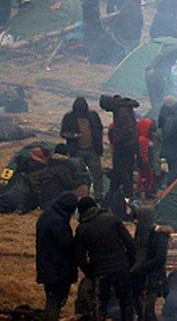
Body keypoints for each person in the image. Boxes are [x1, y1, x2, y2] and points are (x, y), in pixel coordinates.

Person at [74, 196, 135, 321]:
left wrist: (89, 273)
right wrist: (128, 263)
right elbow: (130, 244)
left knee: (100, 306)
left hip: (100, 272)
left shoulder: (82, 228)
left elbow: (79, 257)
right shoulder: (112, 219)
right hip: (121, 269)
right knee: (126, 303)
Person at [36, 192, 78, 321]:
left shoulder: (47, 215)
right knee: (54, 300)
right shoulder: (58, 221)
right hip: (57, 269)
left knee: (51, 297)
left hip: (47, 266)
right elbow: (66, 243)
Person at [59, 97, 104, 201]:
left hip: (92, 149)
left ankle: (98, 196)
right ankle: (82, 196)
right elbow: (63, 133)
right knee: (79, 176)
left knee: (97, 174)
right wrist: (73, 135)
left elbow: (99, 129)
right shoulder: (69, 117)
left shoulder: (93, 116)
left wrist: (98, 143)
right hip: (76, 150)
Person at [99, 94, 140, 205]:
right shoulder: (122, 107)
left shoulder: (121, 111)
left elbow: (127, 130)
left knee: (123, 171)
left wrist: (116, 140)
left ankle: (127, 196)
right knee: (121, 171)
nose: (107, 110)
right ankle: (111, 198)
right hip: (129, 145)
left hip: (124, 146)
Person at [131, 205, 170, 321]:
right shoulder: (140, 231)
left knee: (148, 311)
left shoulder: (158, 233)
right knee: (140, 309)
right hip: (140, 275)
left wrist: (142, 267)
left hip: (153, 276)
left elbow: (160, 258)